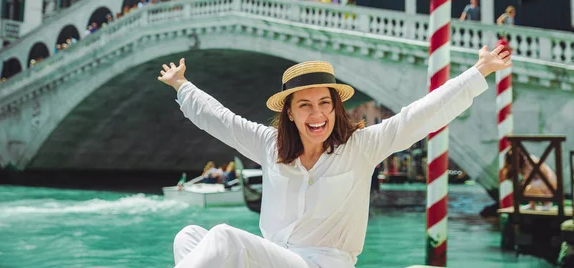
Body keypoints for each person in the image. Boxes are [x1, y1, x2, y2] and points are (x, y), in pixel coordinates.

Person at [158, 45, 512, 267]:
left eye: (325, 103)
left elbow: (419, 115)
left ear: (335, 108)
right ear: (291, 114)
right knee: (188, 235)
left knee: (224, 237)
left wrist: (479, 71)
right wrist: (181, 85)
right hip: (276, 258)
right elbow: (220, 120)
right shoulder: (269, 145)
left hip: (324, 265)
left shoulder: (361, 147)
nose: (318, 115)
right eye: (306, 106)